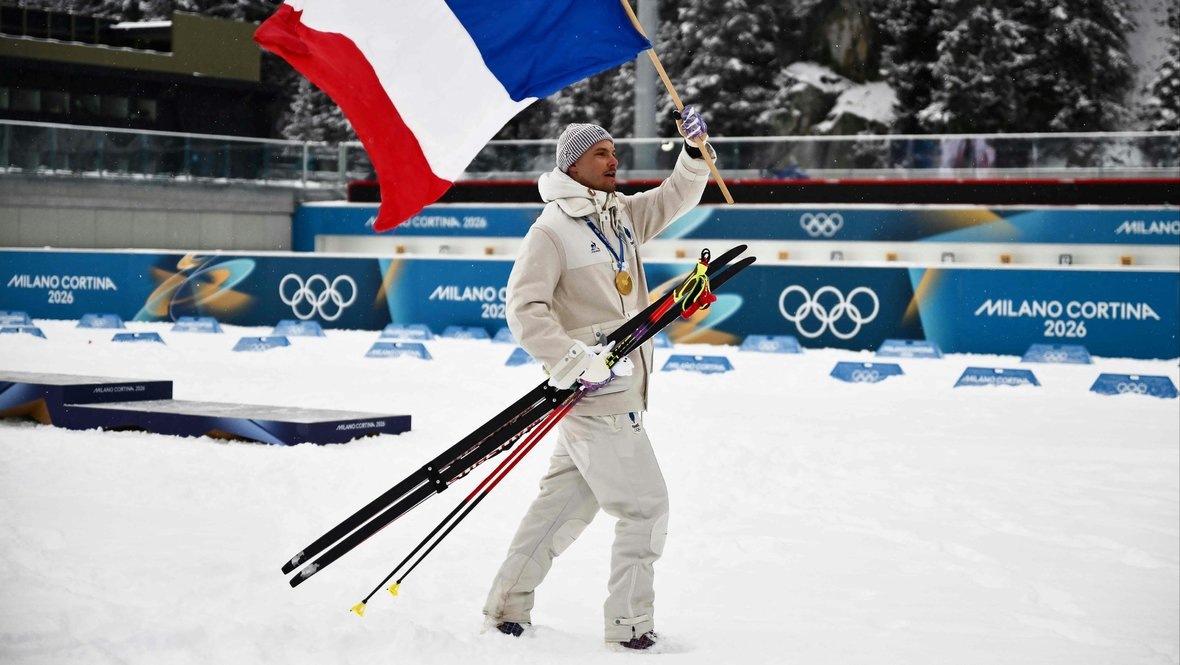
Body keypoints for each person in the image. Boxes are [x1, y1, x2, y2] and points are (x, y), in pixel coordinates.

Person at [482, 106, 713, 651]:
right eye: (601, 154)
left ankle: (506, 607)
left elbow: (672, 197)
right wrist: (570, 359)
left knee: (562, 507)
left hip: (615, 391)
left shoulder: (617, 214)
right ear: (574, 165)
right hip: (596, 397)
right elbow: (524, 309)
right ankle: (631, 628)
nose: (614, 161)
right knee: (645, 508)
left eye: (613, 151)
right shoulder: (552, 230)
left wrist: (694, 152)